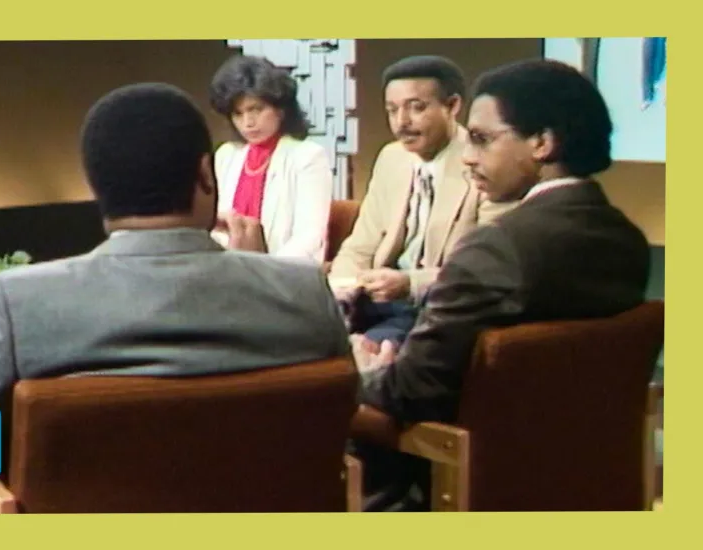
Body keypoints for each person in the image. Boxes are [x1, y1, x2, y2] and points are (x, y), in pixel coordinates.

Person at [0, 82, 352, 406]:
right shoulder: (304, 290)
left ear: (96, 185)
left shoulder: (20, 301)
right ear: (206, 174)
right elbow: (342, 414)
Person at [351, 59, 651, 511]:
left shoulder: (493, 250)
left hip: (465, 476)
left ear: (543, 143)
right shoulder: (628, 241)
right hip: (575, 475)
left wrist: (358, 372)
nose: (468, 157)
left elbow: (409, 392)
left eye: (483, 139)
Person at [328, 56, 514, 349]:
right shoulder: (392, 157)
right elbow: (360, 244)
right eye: (392, 110)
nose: (402, 122)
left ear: (452, 106)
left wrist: (409, 284)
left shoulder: (483, 165)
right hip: (375, 299)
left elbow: (484, 272)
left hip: (434, 305)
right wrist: (342, 290)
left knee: (365, 350)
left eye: (417, 107)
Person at [208, 55, 334, 264]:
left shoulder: (307, 156)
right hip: (228, 275)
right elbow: (215, 230)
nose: (247, 123)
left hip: (283, 276)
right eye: (238, 114)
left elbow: (309, 238)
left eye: (255, 110)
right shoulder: (227, 155)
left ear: (280, 109)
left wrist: (266, 274)